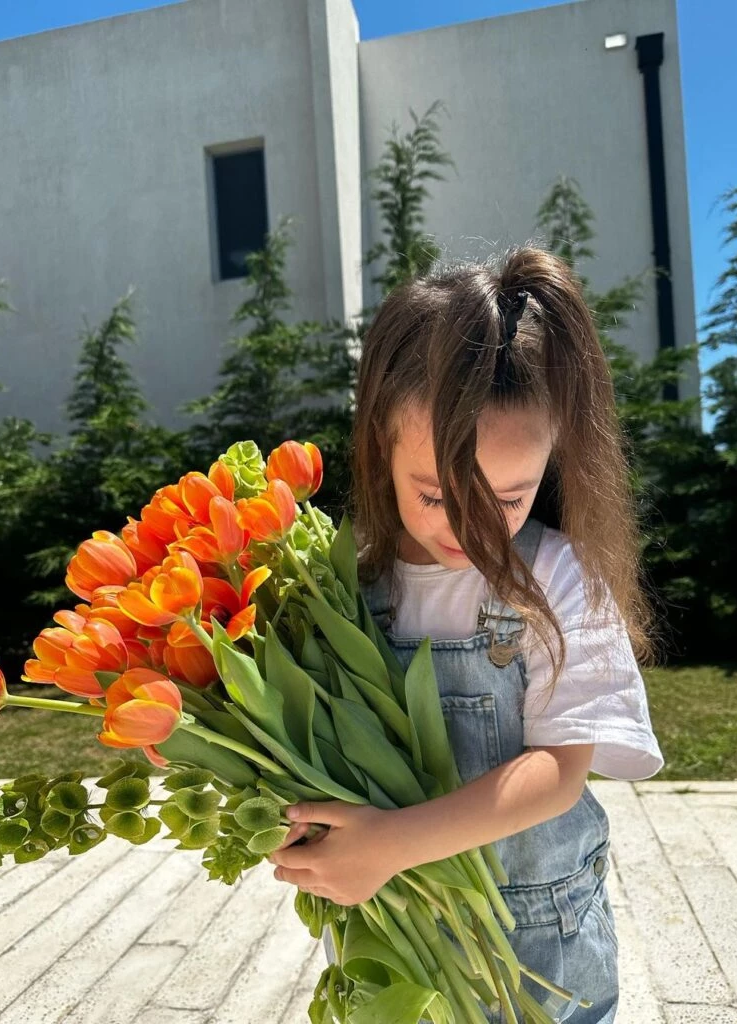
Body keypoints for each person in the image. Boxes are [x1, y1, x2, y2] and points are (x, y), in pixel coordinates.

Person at [266, 244, 664, 1023]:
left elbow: (559, 771)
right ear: (381, 443)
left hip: (537, 949)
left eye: (510, 499)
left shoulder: (557, 578)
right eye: (438, 497)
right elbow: (292, 742)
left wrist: (390, 844)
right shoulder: (343, 588)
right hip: (394, 945)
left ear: (553, 459)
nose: (475, 529)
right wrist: (186, 726)